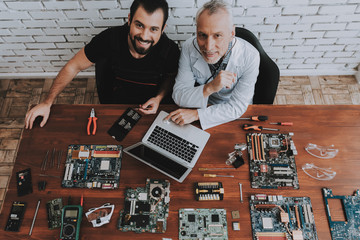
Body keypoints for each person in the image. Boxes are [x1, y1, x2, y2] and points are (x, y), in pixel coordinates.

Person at [25, 0, 180, 129]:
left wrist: (158, 98)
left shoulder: (170, 50)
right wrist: (47, 102)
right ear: (129, 19)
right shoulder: (109, 39)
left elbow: (171, 77)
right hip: (114, 105)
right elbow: (74, 66)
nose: (145, 36)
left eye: (154, 29)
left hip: (150, 109)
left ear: (163, 28)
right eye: (139, 25)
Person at [165, 0, 260, 130]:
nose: (208, 47)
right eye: (202, 35)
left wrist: (197, 114)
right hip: (204, 102)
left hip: (235, 114)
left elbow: (237, 107)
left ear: (232, 33)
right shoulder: (188, 47)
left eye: (217, 35)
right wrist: (209, 88)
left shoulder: (250, 56)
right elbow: (178, 95)